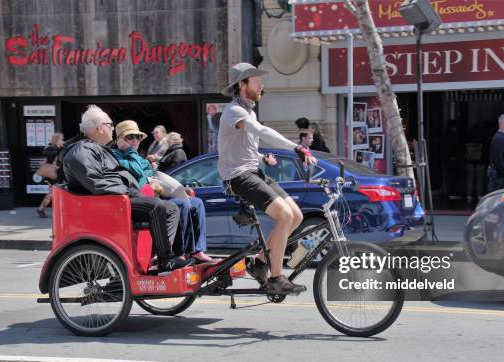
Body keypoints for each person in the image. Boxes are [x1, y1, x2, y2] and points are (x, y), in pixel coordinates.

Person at [218, 62, 317, 295]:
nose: (261, 84)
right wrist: (296, 147)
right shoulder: (235, 111)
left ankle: (260, 262)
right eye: (256, 80)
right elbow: (262, 132)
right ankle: (276, 277)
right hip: (238, 177)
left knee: (296, 216)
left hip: (253, 171)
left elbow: (245, 146)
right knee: (283, 215)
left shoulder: (248, 112)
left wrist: (262, 158)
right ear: (242, 85)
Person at [62, 105, 191, 273]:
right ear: (99, 128)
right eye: (110, 125)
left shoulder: (99, 149)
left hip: (118, 198)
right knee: (157, 206)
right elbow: (96, 183)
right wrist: (128, 191)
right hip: (108, 204)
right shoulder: (81, 151)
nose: (112, 128)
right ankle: (165, 261)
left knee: (172, 208)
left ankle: (157, 256)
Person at [111, 120, 212, 263]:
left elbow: (149, 173)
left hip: (154, 194)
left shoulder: (138, 157)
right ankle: (178, 253)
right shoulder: (115, 156)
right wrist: (130, 151)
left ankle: (196, 250)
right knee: (182, 204)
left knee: (197, 203)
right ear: (120, 139)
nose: (135, 140)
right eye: (130, 137)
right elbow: (138, 172)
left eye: (138, 137)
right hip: (138, 200)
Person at [36, 133, 64, 218]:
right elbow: (51, 158)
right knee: (52, 193)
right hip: (53, 174)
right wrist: (59, 150)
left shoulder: (53, 148)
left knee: (54, 192)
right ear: (56, 140)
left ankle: (42, 209)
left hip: (52, 174)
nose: (61, 141)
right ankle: (41, 208)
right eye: (60, 139)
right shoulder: (54, 149)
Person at [487, 113, 504, 193]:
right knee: (496, 200)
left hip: (501, 174)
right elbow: (498, 159)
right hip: (499, 175)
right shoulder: (499, 138)